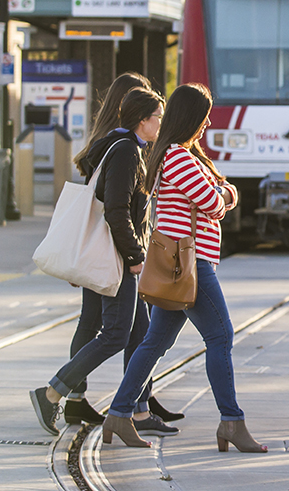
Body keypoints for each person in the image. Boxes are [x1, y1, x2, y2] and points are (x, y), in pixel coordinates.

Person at [100, 83, 265, 453]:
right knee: (221, 336)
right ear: (190, 116)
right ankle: (231, 422)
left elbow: (220, 191)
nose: (207, 123)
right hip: (190, 265)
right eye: (204, 116)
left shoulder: (180, 155)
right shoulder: (177, 157)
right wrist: (225, 194)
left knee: (155, 341)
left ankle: (118, 412)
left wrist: (224, 192)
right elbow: (215, 201)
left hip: (183, 263)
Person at [30, 88, 178, 438]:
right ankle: (52, 392)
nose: (161, 122)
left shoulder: (127, 147)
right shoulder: (127, 151)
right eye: (158, 116)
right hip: (115, 257)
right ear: (143, 120)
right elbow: (116, 210)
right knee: (115, 334)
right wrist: (135, 257)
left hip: (115, 255)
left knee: (138, 331)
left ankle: (135, 411)